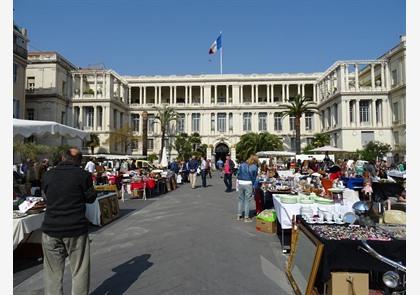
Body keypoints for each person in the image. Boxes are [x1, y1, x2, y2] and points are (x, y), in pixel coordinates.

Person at [41, 147, 97, 295]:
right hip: (75, 228)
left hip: (51, 228)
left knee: (52, 273)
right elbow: (91, 199)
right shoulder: (83, 175)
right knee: (79, 270)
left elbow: (46, 196)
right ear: (79, 161)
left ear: (62, 158)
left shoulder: (48, 175)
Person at [236, 154, 258, 222]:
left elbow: (238, 173)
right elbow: (254, 177)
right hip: (248, 183)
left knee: (240, 199)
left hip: (240, 182)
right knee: (247, 200)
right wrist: (254, 185)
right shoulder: (254, 166)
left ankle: (239, 216)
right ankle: (246, 217)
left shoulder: (242, 164)